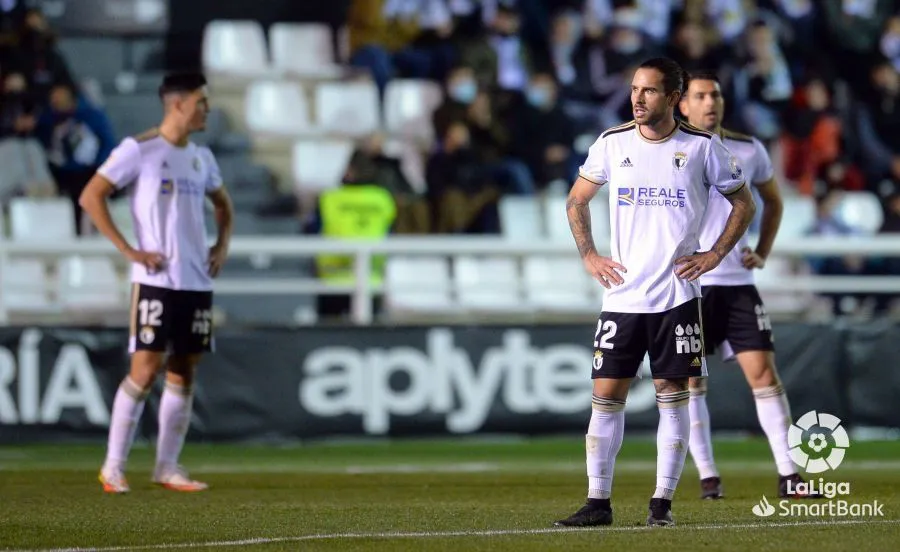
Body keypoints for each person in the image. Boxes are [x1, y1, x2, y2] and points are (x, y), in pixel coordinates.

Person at [554, 58, 755, 528]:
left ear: (672, 97)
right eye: (634, 89)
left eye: (648, 91)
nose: (637, 99)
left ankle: (661, 503)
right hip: (622, 296)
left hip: (676, 297)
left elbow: (743, 203)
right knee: (606, 394)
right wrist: (589, 254)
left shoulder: (702, 147)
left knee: (672, 391)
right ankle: (597, 502)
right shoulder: (612, 142)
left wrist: (715, 254)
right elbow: (576, 199)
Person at [79, 72, 234, 494]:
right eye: (201, 102)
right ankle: (113, 467)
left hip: (196, 281)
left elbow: (223, 205)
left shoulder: (202, 157)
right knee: (145, 369)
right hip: (156, 279)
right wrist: (130, 250)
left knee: (184, 369)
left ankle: (167, 467)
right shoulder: (140, 150)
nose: (207, 109)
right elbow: (91, 195)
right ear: (178, 104)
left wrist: (221, 245)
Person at [679, 72, 821, 500]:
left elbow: (772, 200)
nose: (710, 102)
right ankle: (708, 476)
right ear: (682, 104)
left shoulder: (747, 148)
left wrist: (762, 250)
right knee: (690, 382)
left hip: (738, 282)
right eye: (700, 96)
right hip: (689, 285)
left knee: (764, 374)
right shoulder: (669, 149)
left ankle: (789, 475)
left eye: (715, 94)